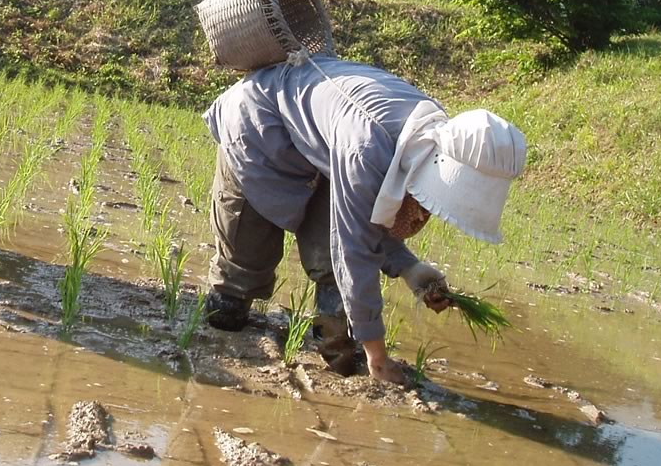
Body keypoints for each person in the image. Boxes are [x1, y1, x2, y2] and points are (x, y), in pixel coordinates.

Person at [202, 53, 526, 385]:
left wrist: (409, 268)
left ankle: (335, 350)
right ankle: (218, 337)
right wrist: (379, 360)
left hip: (322, 150)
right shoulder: (371, 145)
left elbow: (369, 209)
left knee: (329, 264)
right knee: (235, 292)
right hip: (255, 126)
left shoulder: (426, 135)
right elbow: (354, 248)